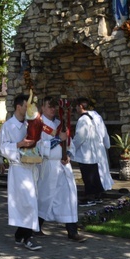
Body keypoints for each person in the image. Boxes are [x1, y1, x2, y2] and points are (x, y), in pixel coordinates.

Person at [36, 97, 87, 242]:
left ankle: (72, 231)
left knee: (69, 197)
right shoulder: (38, 124)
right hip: (48, 165)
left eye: (54, 107)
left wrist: (69, 155)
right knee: (45, 196)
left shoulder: (60, 124)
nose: (52, 109)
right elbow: (38, 146)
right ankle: (36, 227)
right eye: (49, 106)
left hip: (64, 166)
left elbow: (70, 144)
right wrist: (58, 139)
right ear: (43, 108)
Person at [0, 94, 42, 251]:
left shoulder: (28, 124)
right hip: (18, 169)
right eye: (26, 106)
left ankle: (20, 234)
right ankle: (28, 238)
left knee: (31, 202)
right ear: (19, 107)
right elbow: (3, 148)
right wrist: (20, 144)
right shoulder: (8, 126)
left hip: (31, 168)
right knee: (28, 203)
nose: (28, 109)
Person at [73, 98, 113, 205]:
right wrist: (107, 145)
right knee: (96, 174)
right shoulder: (97, 116)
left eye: (76, 106)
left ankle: (90, 197)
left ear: (81, 106)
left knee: (89, 176)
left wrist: (70, 149)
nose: (76, 108)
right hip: (97, 151)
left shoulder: (83, 120)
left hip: (87, 153)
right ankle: (97, 195)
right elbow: (104, 132)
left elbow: (80, 137)